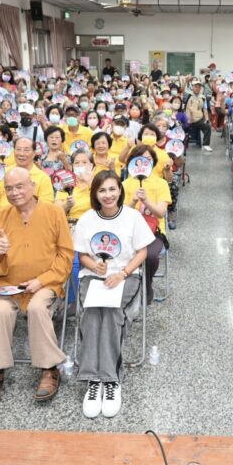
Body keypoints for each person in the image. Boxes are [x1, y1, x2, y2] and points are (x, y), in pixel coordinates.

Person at [0, 167, 74, 408]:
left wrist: (42, 280)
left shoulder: (54, 212)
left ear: (32, 186)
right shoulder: (1, 215)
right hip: (8, 283)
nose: (14, 192)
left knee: (37, 308)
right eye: (9, 188)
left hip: (45, 282)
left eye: (20, 186)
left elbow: (65, 255)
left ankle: (49, 369)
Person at [73, 171, 153, 418]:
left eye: (112, 189)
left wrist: (124, 272)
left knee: (112, 314)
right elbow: (82, 255)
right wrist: (92, 265)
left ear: (120, 190)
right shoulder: (86, 219)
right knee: (91, 315)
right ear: (95, 194)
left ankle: (111, 381)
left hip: (126, 276)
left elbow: (142, 252)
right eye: (102, 191)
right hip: (93, 278)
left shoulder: (132, 217)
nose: (108, 195)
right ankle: (93, 381)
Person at [122, 145, 170, 302]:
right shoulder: (125, 184)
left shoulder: (161, 183)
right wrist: (133, 201)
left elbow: (161, 212)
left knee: (149, 257)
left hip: (153, 231)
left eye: (148, 160)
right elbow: (119, 214)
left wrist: (147, 201)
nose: (143, 163)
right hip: (128, 230)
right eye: (139, 160)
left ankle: (146, 285)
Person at [186, 79, 212, 152]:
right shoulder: (188, 95)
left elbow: (205, 109)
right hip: (188, 119)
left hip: (199, 119)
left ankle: (206, 144)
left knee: (207, 126)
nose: (197, 88)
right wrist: (186, 81)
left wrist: (207, 119)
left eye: (199, 87)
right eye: (196, 86)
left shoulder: (203, 98)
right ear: (192, 87)